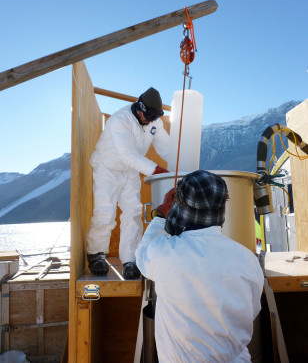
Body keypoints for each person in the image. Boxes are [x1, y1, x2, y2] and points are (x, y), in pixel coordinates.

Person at [136, 170, 264, 362]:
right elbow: (252, 310)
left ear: (180, 208)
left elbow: (142, 254)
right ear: (222, 209)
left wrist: (161, 214)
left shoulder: (166, 253)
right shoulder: (247, 258)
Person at [86, 87, 170, 280]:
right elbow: (127, 154)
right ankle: (96, 254)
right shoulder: (119, 120)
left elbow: (166, 147)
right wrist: (157, 171)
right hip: (107, 167)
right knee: (105, 211)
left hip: (130, 170)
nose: (149, 121)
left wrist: (181, 165)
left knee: (133, 211)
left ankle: (130, 259)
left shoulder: (153, 121)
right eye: (147, 117)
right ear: (139, 109)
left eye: (152, 118)